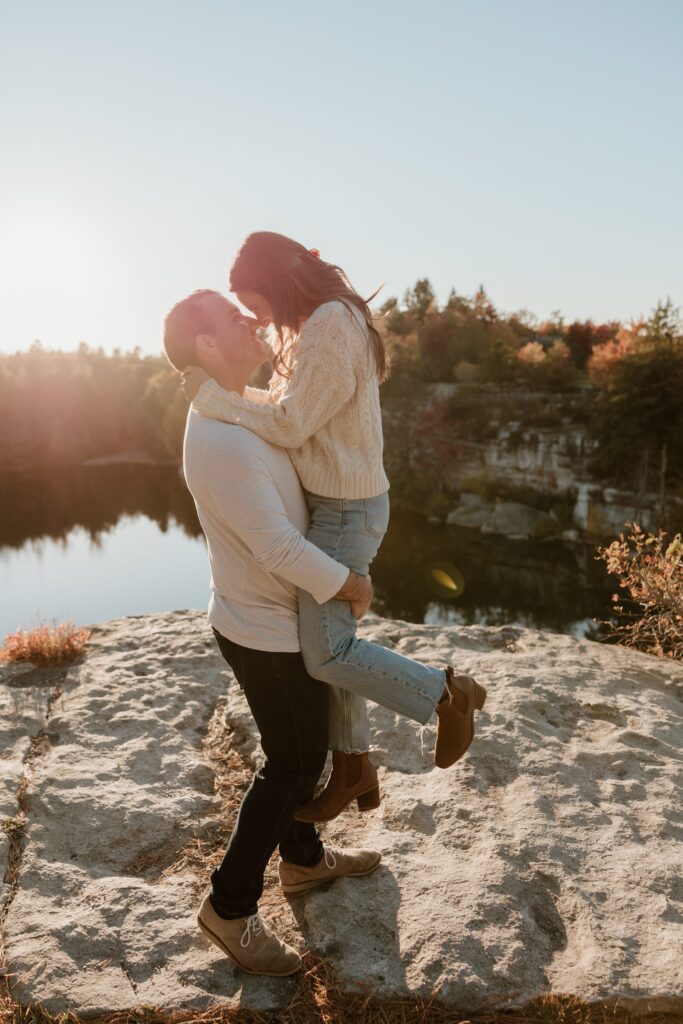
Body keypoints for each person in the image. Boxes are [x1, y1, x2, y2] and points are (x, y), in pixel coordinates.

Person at [164, 290, 483, 976]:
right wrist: (349, 585)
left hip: (286, 619)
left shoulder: (249, 412)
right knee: (290, 767)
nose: (251, 320)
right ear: (207, 348)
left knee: (301, 759)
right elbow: (278, 547)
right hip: (265, 632)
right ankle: (230, 906)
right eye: (232, 318)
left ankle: (303, 861)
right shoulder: (220, 437)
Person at [182, 231, 486, 823]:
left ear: (274, 283)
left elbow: (292, 424)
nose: (255, 317)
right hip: (336, 503)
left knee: (326, 654)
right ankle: (353, 768)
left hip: (348, 510)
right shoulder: (309, 323)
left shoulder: (329, 323)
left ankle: (447, 693)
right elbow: (287, 404)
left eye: (254, 302)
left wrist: (216, 400)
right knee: (331, 639)